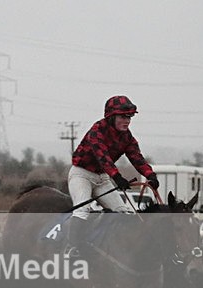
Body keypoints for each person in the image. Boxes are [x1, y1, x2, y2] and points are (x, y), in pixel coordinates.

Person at [65, 95, 159, 256]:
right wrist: (117, 177)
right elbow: (103, 158)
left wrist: (150, 175)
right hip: (81, 175)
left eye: (129, 117)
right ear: (111, 117)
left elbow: (137, 158)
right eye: (123, 117)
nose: (127, 121)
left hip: (102, 179)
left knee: (122, 212)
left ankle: (114, 249)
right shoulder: (97, 131)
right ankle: (71, 248)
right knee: (82, 209)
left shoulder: (127, 137)